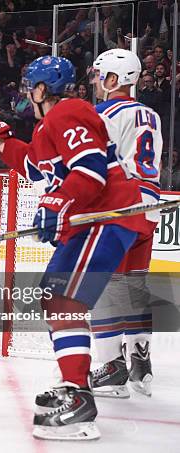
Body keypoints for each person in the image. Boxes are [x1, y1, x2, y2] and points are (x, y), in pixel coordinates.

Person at [0, 56, 150, 440]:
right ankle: (75, 388)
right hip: (95, 218)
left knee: (64, 299)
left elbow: (91, 168)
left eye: (29, 85)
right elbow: (34, 166)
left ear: (42, 89)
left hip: (106, 215)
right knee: (56, 297)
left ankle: (79, 402)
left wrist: (58, 201)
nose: (25, 93)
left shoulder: (69, 111)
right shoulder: (51, 125)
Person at [88, 48, 162, 398]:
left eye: (101, 74)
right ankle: (141, 362)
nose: (96, 80)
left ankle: (111, 369)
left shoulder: (103, 113)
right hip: (148, 210)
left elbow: (92, 165)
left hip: (118, 209)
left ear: (114, 79)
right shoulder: (151, 114)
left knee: (103, 286)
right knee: (134, 288)